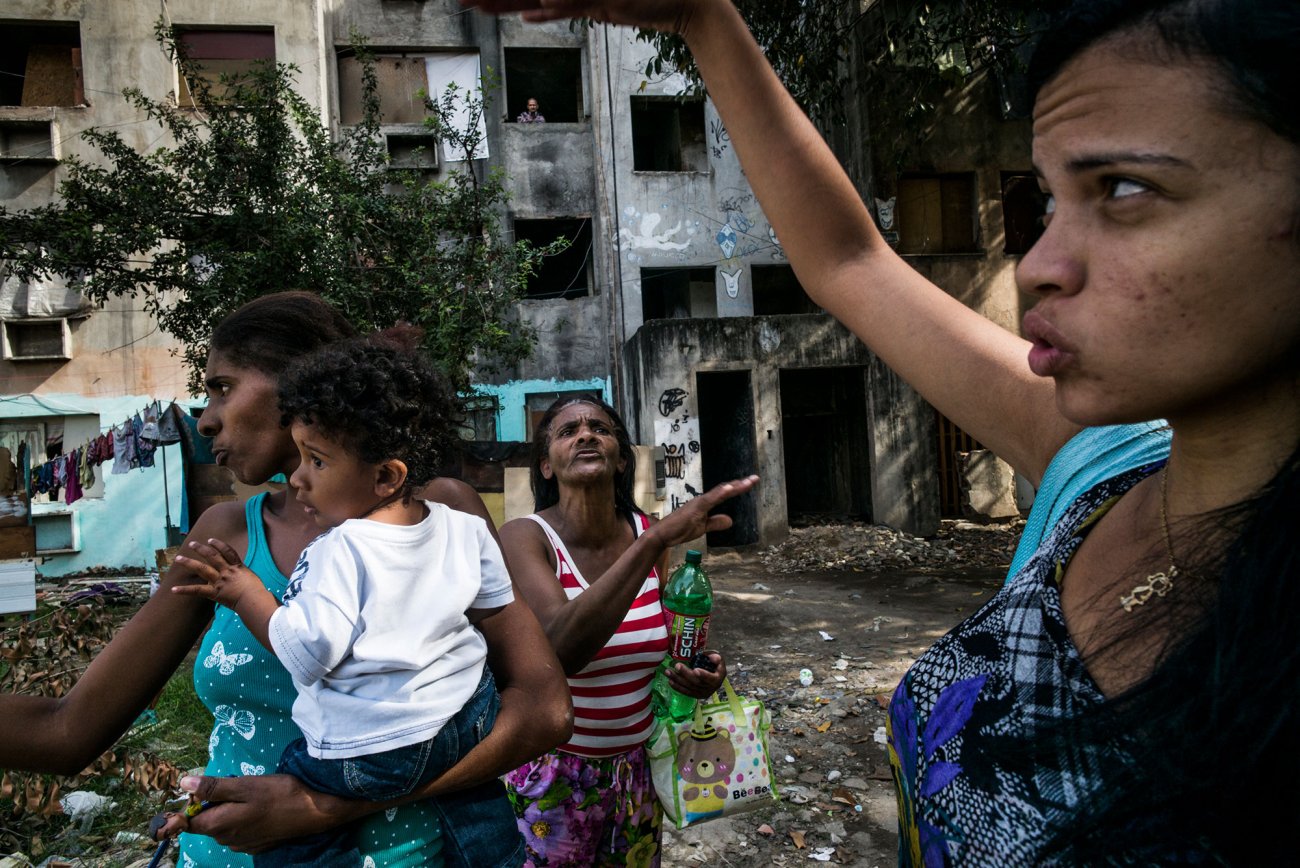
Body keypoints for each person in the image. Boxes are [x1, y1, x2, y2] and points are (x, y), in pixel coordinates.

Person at [466, 0, 1300, 864]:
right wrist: (702, 19)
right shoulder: (1100, 469)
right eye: (1049, 201)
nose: (1044, 264)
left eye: (1124, 189)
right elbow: (850, 262)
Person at [0, 292, 572, 866]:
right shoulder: (224, 535)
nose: (205, 418)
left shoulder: (437, 517)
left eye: (222, 386)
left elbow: (542, 711)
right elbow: (69, 728)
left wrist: (323, 807)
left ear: (298, 377)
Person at [172, 330, 524, 867]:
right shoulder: (461, 524)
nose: (298, 477)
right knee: (473, 800)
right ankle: (496, 854)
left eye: (316, 461)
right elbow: (496, 602)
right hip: (466, 719)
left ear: (385, 476)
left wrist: (246, 594)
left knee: (290, 790)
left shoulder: (339, 548)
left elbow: (307, 653)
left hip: (379, 754)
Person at [498, 395, 757, 866]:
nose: (585, 434)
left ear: (620, 459)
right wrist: (654, 539)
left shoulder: (648, 536)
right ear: (546, 466)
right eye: (567, 430)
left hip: (636, 774)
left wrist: (694, 673)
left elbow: (657, 644)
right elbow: (561, 647)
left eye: (599, 427)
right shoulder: (524, 537)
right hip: (553, 775)